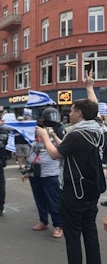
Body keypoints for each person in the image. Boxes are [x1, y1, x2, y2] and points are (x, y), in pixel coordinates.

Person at [36, 75, 104, 263]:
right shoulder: (98, 128)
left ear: (80, 113)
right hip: (92, 190)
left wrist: (45, 136)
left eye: (72, 111)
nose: (69, 114)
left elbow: (55, 154)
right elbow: (94, 109)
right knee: (90, 231)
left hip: (74, 192)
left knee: (73, 236)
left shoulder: (77, 135)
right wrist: (89, 87)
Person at [21, 107, 64, 239]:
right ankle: (43, 221)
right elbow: (32, 152)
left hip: (51, 173)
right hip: (36, 173)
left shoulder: (59, 134)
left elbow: (62, 150)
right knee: (40, 199)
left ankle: (58, 225)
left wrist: (52, 135)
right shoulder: (37, 136)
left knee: (53, 201)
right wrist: (27, 170)